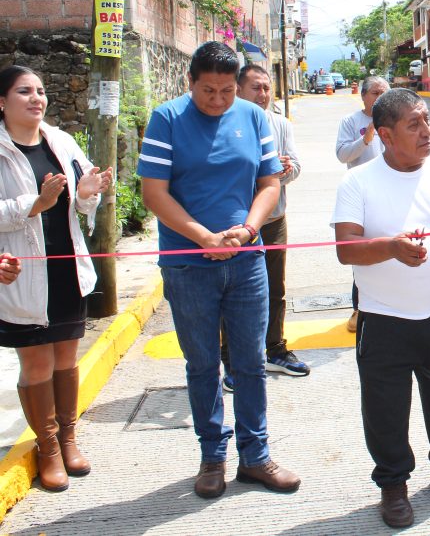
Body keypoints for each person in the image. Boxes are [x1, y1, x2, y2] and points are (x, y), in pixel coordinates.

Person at [139, 42, 300, 499]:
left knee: (250, 362)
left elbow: (269, 182)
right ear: (189, 82)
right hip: (189, 266)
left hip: (247, 260)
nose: (218, 100)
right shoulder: (166, 119)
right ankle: (213, 456)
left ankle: (256, 456)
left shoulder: (253, 117)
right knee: (203, 364)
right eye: (208, 90)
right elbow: (155, 194)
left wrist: (249, 230)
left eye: (227, 90)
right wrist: (203, 238)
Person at [332, 88, 430, 528]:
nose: (427, 132)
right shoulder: (357, 182)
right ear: (385, 134)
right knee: (385, 409)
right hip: (383, 320)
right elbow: (346, 249)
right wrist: (391, 248)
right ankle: (394, 486)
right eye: (413, 124)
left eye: (427, 120)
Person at [0, 65, 112, 491]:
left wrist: (87, 192)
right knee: (37, 362)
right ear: (2, 102)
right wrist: (36, 202)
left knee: (66, 358)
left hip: (67, 267)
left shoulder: (60, 141)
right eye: (24, 91)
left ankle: (68, 439)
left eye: (41, 91)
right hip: (23, 272)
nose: (36, 98)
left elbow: (85, 204)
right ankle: (46, 449)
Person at [221, 65, 307, 391]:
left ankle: (275, 349)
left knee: (275, 289)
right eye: (256, 88)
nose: (263, 94)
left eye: (267, 88)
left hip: (273, 221)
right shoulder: (227, 124)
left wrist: (284, 170)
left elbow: (295, 167)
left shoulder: (281, 124)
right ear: (239, 90)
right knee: (232, 292)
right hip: (236, 227)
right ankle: (230, 358)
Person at [335, 76, 390, 333]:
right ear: (364, 96)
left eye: (386, 92)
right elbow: (343, 155)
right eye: (377, 92)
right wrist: (366, 139)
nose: (381, 96)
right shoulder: (351, 122)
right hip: (363, 198)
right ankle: (360, 308)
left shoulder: (394, 117)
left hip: (391, 193)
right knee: (363, 252)